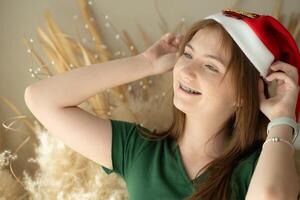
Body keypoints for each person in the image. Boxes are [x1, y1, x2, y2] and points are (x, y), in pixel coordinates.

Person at [24, 9, 300, 200]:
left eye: (210, 67)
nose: (187, 71)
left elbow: (271, 196)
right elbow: (41, 99)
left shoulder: (255, 168)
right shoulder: (139, 150)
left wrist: (282, 118)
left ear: (245, 93)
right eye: (188, 54)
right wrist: (145, 63)